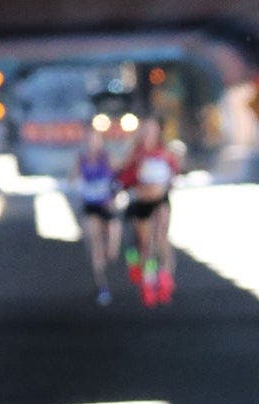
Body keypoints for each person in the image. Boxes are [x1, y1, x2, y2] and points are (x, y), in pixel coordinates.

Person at [118, 120, 179, 307]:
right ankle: (149, 279)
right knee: (145, 244)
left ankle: (165, 277)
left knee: (161, 237)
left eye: (153, 131)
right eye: (146, 131)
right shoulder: (135, 154)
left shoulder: (166, 152)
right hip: (142, 202)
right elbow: (124, 177)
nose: (149, 135)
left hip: (160, 201)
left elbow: (174, 173)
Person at [70, 129, 122, 305]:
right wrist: (80, 185)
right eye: (89, 140)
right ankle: (102, 286)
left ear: (101, 142)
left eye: (96, 140)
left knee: (112, 243)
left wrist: (113, 196)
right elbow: (72, 180)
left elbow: (120, 179)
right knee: (95, 245)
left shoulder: (108, 159)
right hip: (90, 205)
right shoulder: (81, 160)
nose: (92, 143)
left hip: (105, 204)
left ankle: (113, 251)